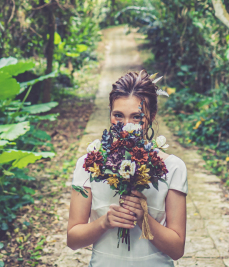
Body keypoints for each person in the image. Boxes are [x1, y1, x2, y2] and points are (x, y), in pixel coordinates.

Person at [66, 70, 188, 266]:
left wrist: (143, 218)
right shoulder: (89, 164)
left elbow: (177, 249)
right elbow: (73, 239)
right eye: (118, 115)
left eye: (137, 117)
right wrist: (104, 222)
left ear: (152, 116)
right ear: (110, 113)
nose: (126, 125)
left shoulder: (173, 167)